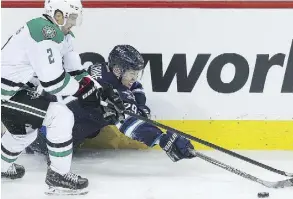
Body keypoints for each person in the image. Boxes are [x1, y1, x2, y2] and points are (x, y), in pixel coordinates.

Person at [29, 44, 196, 163]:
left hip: (43, 120)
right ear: (117, 70)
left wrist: (140, 105)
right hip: (46, 138)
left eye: (136, 73)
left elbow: (135, 87)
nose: (134, 78)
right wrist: (161, 138)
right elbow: (129, 122)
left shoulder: (102, 69)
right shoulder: (107, 90)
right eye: (132, 73)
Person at [1, 0, 100, 195]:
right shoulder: (45, 32)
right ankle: (58, 175)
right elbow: (53, 81)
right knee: (60, 116)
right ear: (57, 14)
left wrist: (99, 90)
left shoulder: (62, 35)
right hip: (6, 94)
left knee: (24, 132)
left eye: (75, 17)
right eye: (71, 17)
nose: (73, 22)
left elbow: (76, 71)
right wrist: (82, 91)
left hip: (15, 91)